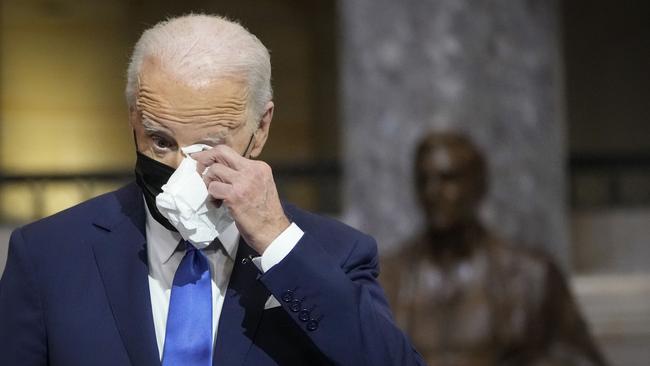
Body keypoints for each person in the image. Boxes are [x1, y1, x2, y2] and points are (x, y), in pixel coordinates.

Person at [0, 14, 424, 366]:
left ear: (260, 129)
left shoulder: (334, 254)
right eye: (161, 142)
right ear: (133, 119)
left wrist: (276, 242)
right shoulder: (48, 257)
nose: (182, 170)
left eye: (208, 146)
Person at [381, 131, 608, 366]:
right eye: (423, 180)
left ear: (479, 184)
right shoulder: (387, 278)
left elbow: (584, 360)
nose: (432, 192)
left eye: (448, 178)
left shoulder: (532, 275)